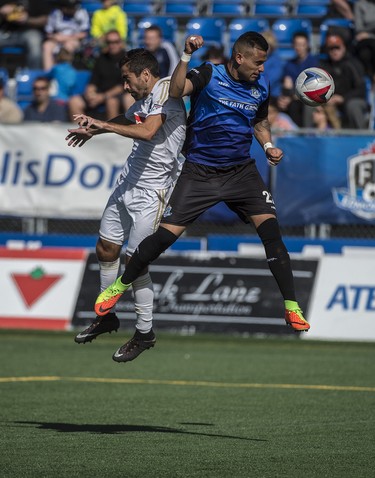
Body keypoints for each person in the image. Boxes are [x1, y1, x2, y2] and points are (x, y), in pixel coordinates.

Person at [94, 31, 311, 363]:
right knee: (161, 240)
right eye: (258, 61)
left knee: (272, 234)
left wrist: (268, 146)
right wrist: (185, 55)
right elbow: (178, 90)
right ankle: (118, 288)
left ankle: (291, 307)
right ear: (239, 57)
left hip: (241, 172)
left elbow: (260, 121)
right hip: (200, 173)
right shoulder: (210, 73)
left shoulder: (260, 87)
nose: (262, 68)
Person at [65, 48, 186, 361]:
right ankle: (107, 318)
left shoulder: (165, 89)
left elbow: (147, 131)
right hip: (127, 182)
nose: (126, 87)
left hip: (153, 191)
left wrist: (102, 126)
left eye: (127, 79)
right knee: (106, 249)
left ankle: (145, 332)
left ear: (145, 74)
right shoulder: (145, 99)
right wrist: (94, 130)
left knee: (136, 262)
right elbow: (132, 118)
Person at [68, 29, 130, 120]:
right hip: (100, 94)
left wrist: (103, 96)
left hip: (117, 95)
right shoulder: (101, 58)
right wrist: (90, 93)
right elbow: (93, 81)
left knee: (111, 101)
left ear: (121, 43)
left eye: (115, 42)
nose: (112, 45)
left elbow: (123, 85)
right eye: (109, 42)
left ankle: (113, 132)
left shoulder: (127, 59)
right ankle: (82, 132)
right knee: (74, 101)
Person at [319, 32, 369, 129]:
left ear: (343, 48)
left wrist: (343, 98)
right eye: (331, 48)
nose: (334, 51)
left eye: (337, 48)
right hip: (329, 100)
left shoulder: (353, 64)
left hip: (351, 99)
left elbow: (361, 90)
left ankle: (362, 138)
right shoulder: (323, 65)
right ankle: (307, 138)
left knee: (353, 105)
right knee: (310, 105)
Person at [277, 31, 318, 127]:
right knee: (281, 103)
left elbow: (312, 87)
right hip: (293, 97)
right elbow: (287, 84)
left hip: (310, 98)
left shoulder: (314, 63)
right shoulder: (289, 64)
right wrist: (285, 97)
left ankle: (305, 136)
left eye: (302, 45)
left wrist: (291, 96)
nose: (299, 47)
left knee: (300, 105)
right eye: (296, 44)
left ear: (307, 45)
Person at [0, 0, 52, 69]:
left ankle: (33, 75)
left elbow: (45, 19)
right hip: (6, 32)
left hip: (29, 32)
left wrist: (27, 20)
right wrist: (1, 11)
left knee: (34, 40)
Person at [43, 0, 90, 70]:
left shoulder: (82, 13)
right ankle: (48, 73)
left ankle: (64, 72)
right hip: (56, 40)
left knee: (68, 45)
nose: (74, 9)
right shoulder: (55, 13)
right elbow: (48, 33)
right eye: (71, 7)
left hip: (74, 40)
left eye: (74, 7)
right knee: (46, 46)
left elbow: (84, 34)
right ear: (64, 8)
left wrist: (66, 38)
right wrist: (55, 37)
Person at [353, 0, 375, 84]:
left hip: (369, 37)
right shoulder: (360, 5)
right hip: (365, 41)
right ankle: (370, 81)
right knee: (364, 53)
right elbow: (359, 29)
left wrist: (369, 34)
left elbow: (364, 32)